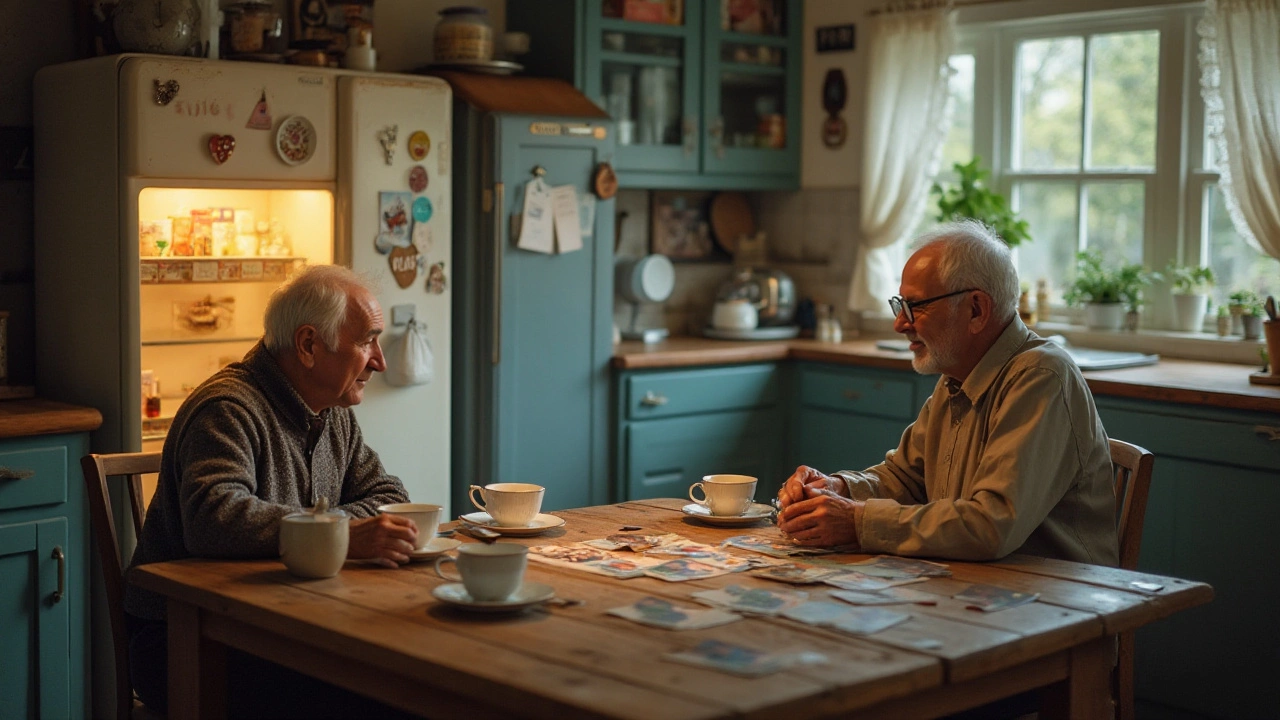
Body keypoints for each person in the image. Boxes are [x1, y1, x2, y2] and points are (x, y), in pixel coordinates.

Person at [124, 264, 420, 715]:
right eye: (365, 341)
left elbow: (388, 494)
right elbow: (215, 518)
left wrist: (335, 531)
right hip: (183, 637)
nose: (378, 359)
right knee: (375, 695)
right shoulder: (228, 408)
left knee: (398, 679)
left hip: (277, 622)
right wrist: (341, 534)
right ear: (307, 345)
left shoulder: (330, 409)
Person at [778, 220, 1118, 567]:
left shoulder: (1040, 376)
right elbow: (905, 478)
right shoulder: (959, 374)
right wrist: (839, 488)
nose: (900, 324)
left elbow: (991, 525)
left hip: (1055, 598)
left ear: (976, 309)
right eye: (900, 306)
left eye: (917, 306)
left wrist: (855, 520)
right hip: (977, 586)